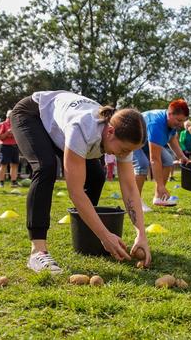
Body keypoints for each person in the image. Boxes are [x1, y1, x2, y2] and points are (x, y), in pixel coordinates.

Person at [10, 90, 149, 273]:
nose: (123, 155)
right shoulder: (82, 128)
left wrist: (141, 233)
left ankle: (85, 237)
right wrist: (105, 235)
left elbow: (130, 187)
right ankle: (38, 252)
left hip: (58, 125)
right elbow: (75, 191)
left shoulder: (121, 137)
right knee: (46, 168)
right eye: (123, 150)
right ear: (110, 131)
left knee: (97, 176)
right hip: (32, 115)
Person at [134, 99, 190, 209]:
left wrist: (181, 156)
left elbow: (172, 139)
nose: (180, 124)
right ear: (169, 114)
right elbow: (154, 159)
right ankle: (135, 202)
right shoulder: (157, 123)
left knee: (168, 161)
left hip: (146, 140)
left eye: (182, 121)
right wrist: (160, 185)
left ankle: (159, 197)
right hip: (132, 138)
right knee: (142, 165)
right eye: (178, 120)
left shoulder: (172, 123)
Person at [0, 110, 19, 187]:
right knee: (4, 164)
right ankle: (1, 182)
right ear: (8, 116)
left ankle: (13, 181)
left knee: (15, 164)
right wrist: (7, 133)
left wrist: (13, 134)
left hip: (15, 146)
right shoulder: (3, 124)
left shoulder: (16, 124)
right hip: (5, 146)